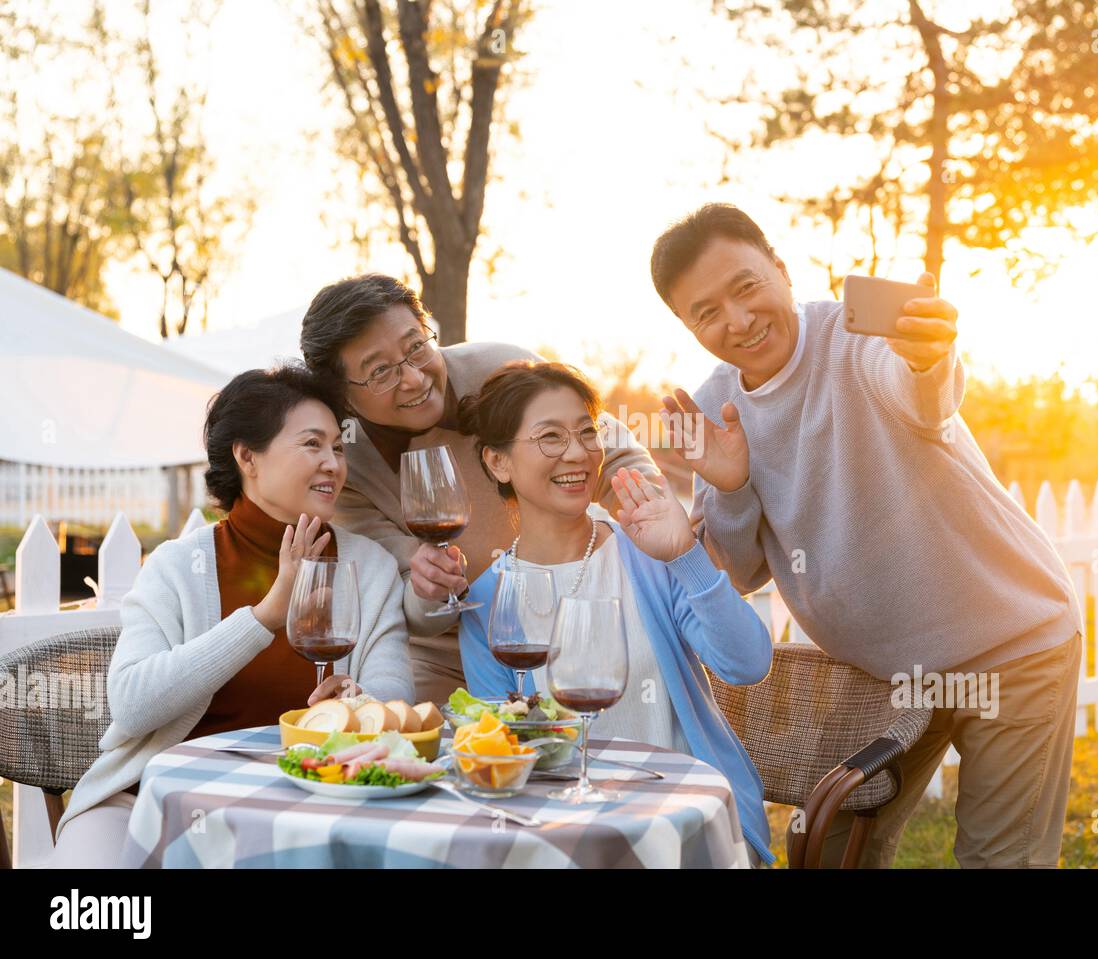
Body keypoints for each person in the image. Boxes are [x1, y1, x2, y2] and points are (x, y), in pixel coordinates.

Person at [650, 203, 1084, 869]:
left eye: (746, 286)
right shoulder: (714, 405)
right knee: (826, 852)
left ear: (782, 270)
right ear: (688, 325)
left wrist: (926, 359)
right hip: (886, 675)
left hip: (1011, 643)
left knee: (1002, 861)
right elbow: (735, 572)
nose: (736, 320)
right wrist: (731, 483)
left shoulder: (857, 339)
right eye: (706, 312)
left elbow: (922, 396)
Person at [50, 366, 414, 868]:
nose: (333, 463)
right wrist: (263, 617)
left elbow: (395, 701)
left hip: (306, 807)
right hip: (149, 801)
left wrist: (357, 705)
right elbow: (133, 705)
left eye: (338, 447)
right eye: (312, 444)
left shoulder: (370, 568)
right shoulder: (177, 568)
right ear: (247, 457)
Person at [454, 361, 776, 867]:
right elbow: (502, 750)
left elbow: (748, 663)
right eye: (550, 438)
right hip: (564, 834)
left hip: (688, 823)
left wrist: (686, 556)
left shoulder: (646, 553)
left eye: (588, 432)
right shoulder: (487, 601)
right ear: (497, 462)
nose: (579, 453)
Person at [300, 274, 661, 705]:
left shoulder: (498, 367)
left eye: (416, 346)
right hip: (441, 655)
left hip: (549, 622)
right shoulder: (345, 465)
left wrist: (652, 522)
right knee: (420, 748)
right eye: (379, 372)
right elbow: (406, 598)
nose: (413, 378)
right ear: (342, 396)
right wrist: (428, 586)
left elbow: (611, 454)